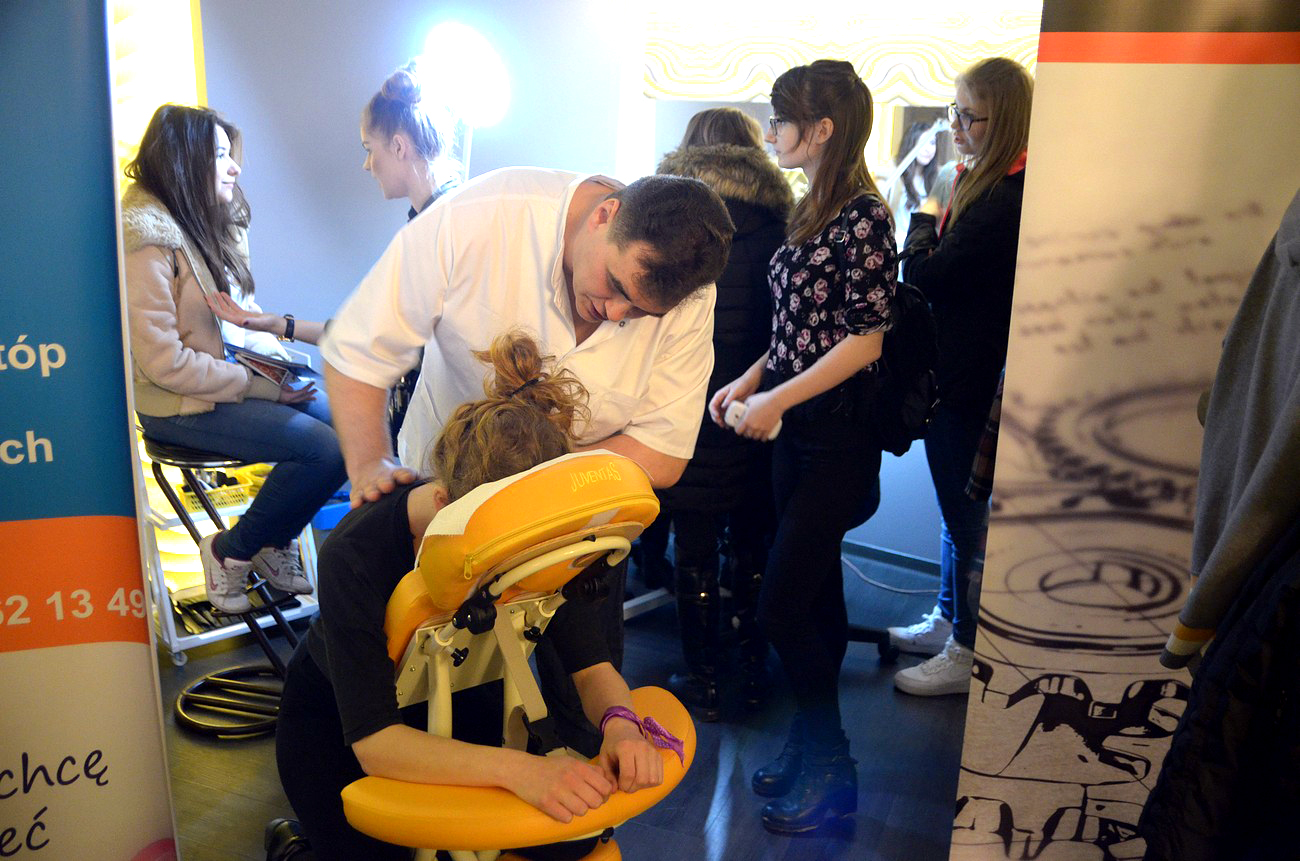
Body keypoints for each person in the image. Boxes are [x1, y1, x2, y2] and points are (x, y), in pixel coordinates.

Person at [270, 331, 668, 861]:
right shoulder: (355, 552)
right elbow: (376, 743)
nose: (511, 572)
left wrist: (621, 726)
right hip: (341, 726)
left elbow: (591, 666)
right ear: (443, 502)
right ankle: (296, 846)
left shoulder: (544, 532)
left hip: (461, 696)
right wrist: (520, 771)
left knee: (566, 842)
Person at [709, 60, 896, 834]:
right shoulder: (811, 207)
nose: (771, 132)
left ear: (822, 130)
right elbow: (796, 331)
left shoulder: (865, 216)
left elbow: (866, 340)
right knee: (816, 599)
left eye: (781, 119)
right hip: (795, 432)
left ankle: (833, 766)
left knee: (780, 605)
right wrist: (752, 379)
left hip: (836, 438)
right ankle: (810, 743)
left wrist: (775, 400)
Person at [120, 104, 345, 614]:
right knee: (322, 449)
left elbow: (239, 321)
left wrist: (281, 369)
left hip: (228, 384)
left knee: (349, 424)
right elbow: (164, 365)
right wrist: (265, 387)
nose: (235, 166)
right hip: (179, 403)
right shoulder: (145, 237)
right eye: (221, 155)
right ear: (184, 161)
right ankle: (230, 549)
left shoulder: (208, 223)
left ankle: (271, 539)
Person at [887, 57, 1032, 696]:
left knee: (968, 519)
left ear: (1005, 122)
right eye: (956, 112)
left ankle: (968, 648)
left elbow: (924, 276)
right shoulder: (986, 184)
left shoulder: (1001, 198)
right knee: (956, 513)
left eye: (969, 116)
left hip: (969, 381)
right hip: (960, 374)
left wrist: (923, 215)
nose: (957, 126)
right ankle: (951, 620)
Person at [651, 107, 792, 720]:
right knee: (753, 545)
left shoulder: (671, 222)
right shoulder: (782, 224)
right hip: (757, 406)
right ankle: (754, 672)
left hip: (690, 405)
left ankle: (703, 681)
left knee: (695, 549)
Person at [359, 59, 462, 443]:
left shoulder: (440, 228)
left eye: (369, 149)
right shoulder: (431, 219)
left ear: (399, 146)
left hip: (445, 425)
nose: (367, 165)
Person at [885, 119, 945, 241]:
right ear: (911, 144)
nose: (928, 149)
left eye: (932, 143)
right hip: (896, 244)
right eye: (922, 142)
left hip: (922, 244)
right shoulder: (895, 174)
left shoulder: (938, 177)